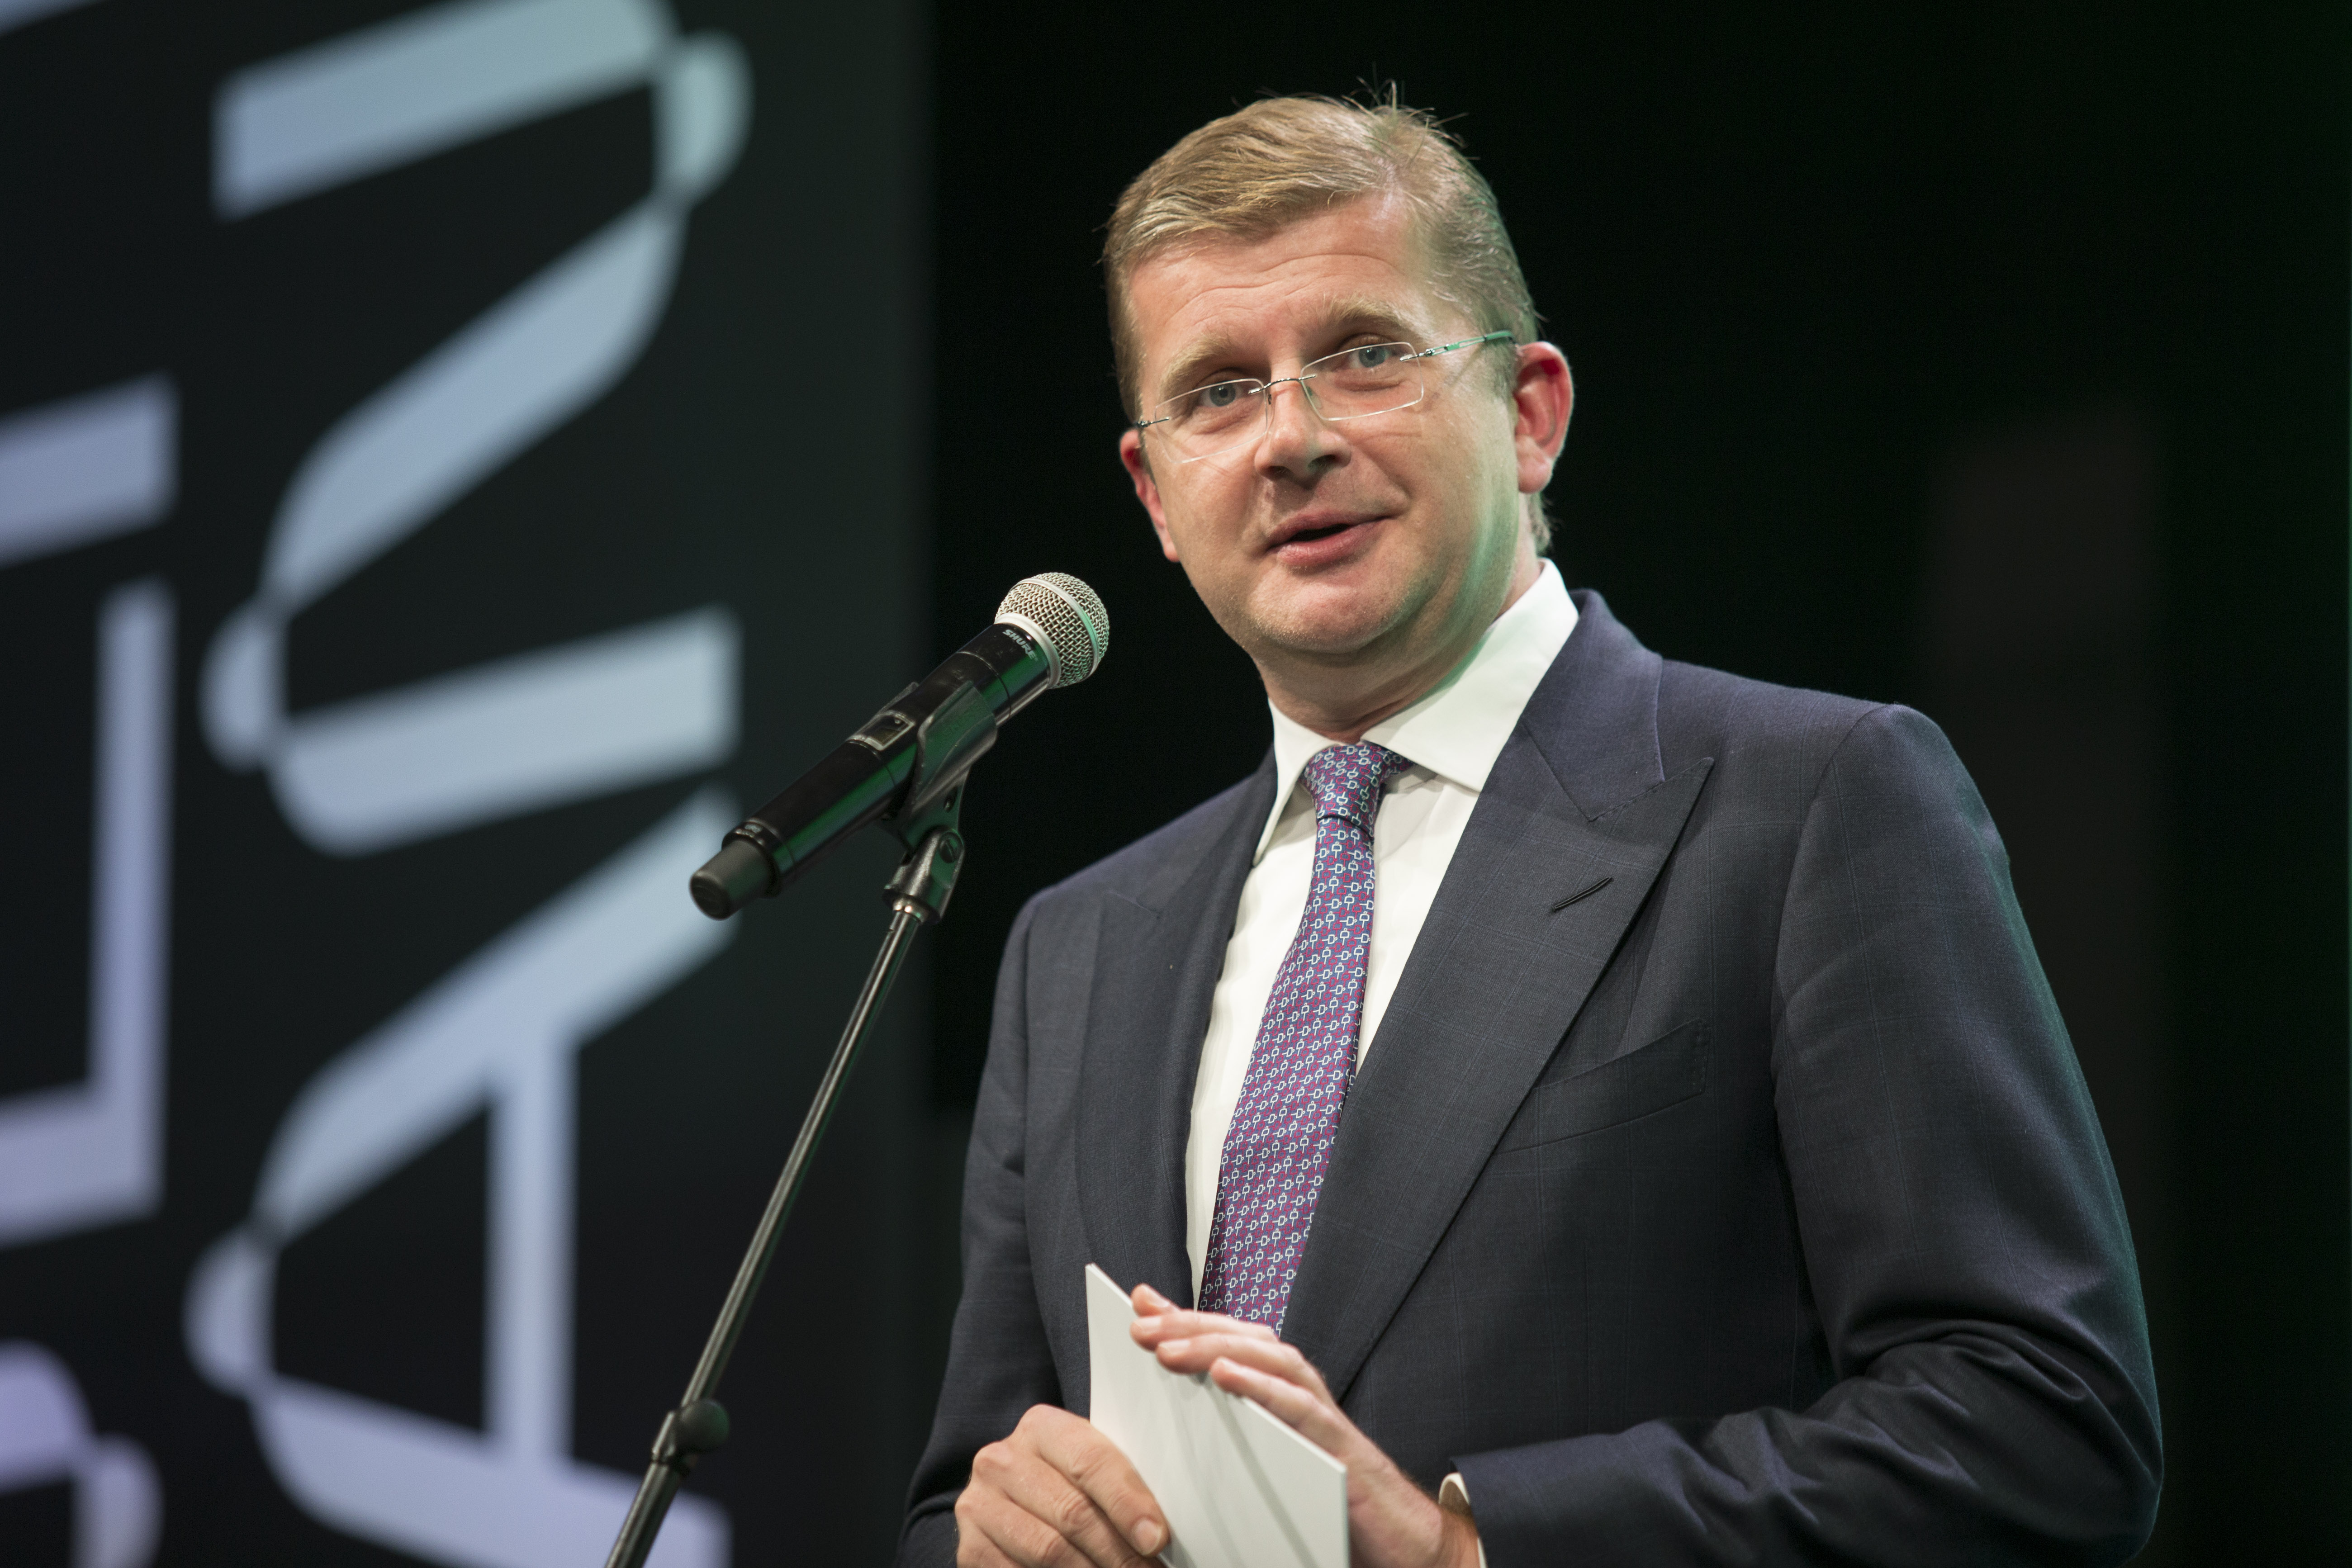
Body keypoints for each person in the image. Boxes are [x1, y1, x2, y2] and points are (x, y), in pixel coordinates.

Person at [900, 95, 2160, 1568]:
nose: (1291, 438)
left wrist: (1465, 1545)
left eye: (1366, 354)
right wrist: (994, 1535)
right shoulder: (1076, 949)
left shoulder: (1813, 803)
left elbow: (2041, 1422)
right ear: (1155, 493)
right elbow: (957, 1500)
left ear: (1530, 412)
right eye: (1220, 391)